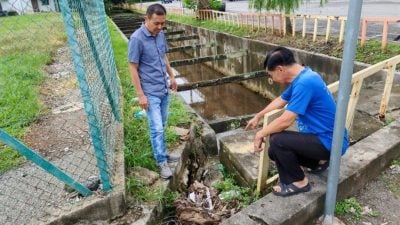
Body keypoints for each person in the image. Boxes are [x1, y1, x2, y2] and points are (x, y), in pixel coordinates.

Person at [245, 46, 349, 197]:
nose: (272, 79)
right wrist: (258, 116)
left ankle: (300, 182)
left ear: (280, 69)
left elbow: (285, 121)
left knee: (277, 139)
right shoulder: (305, 75)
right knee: (273, 152)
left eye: (270, 74)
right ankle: (317, 163)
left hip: (329, 142)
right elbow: (281, 100)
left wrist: (260, 134)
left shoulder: (304, 83)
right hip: (328, 139)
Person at [128, 3, 179, 179]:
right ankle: (160, 161)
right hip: (149, 91)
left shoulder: (160, 35)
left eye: (162, 23)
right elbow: (133, 68)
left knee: (162, 125)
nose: (159, 27)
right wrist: (140, 95)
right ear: (146, 19)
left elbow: (163, 56)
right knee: (156, 127)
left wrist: (171, 77)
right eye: (156, 23)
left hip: (163, 87)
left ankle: (163, 154)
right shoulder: (137, 39)